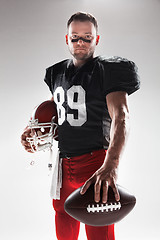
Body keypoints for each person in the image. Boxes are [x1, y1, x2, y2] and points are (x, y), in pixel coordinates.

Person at [21, 12, 140, 240]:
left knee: (99, 226)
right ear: (67, 39)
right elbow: (58, 113)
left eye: (87, 37)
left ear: (96, 39)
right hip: (63, 164)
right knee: (63, 221)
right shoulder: (56, 73)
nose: (81, 42)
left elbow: (122, 117)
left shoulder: (108, 69)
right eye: (75, 37)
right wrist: (34, 133)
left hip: (95, 163)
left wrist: (112, 164)